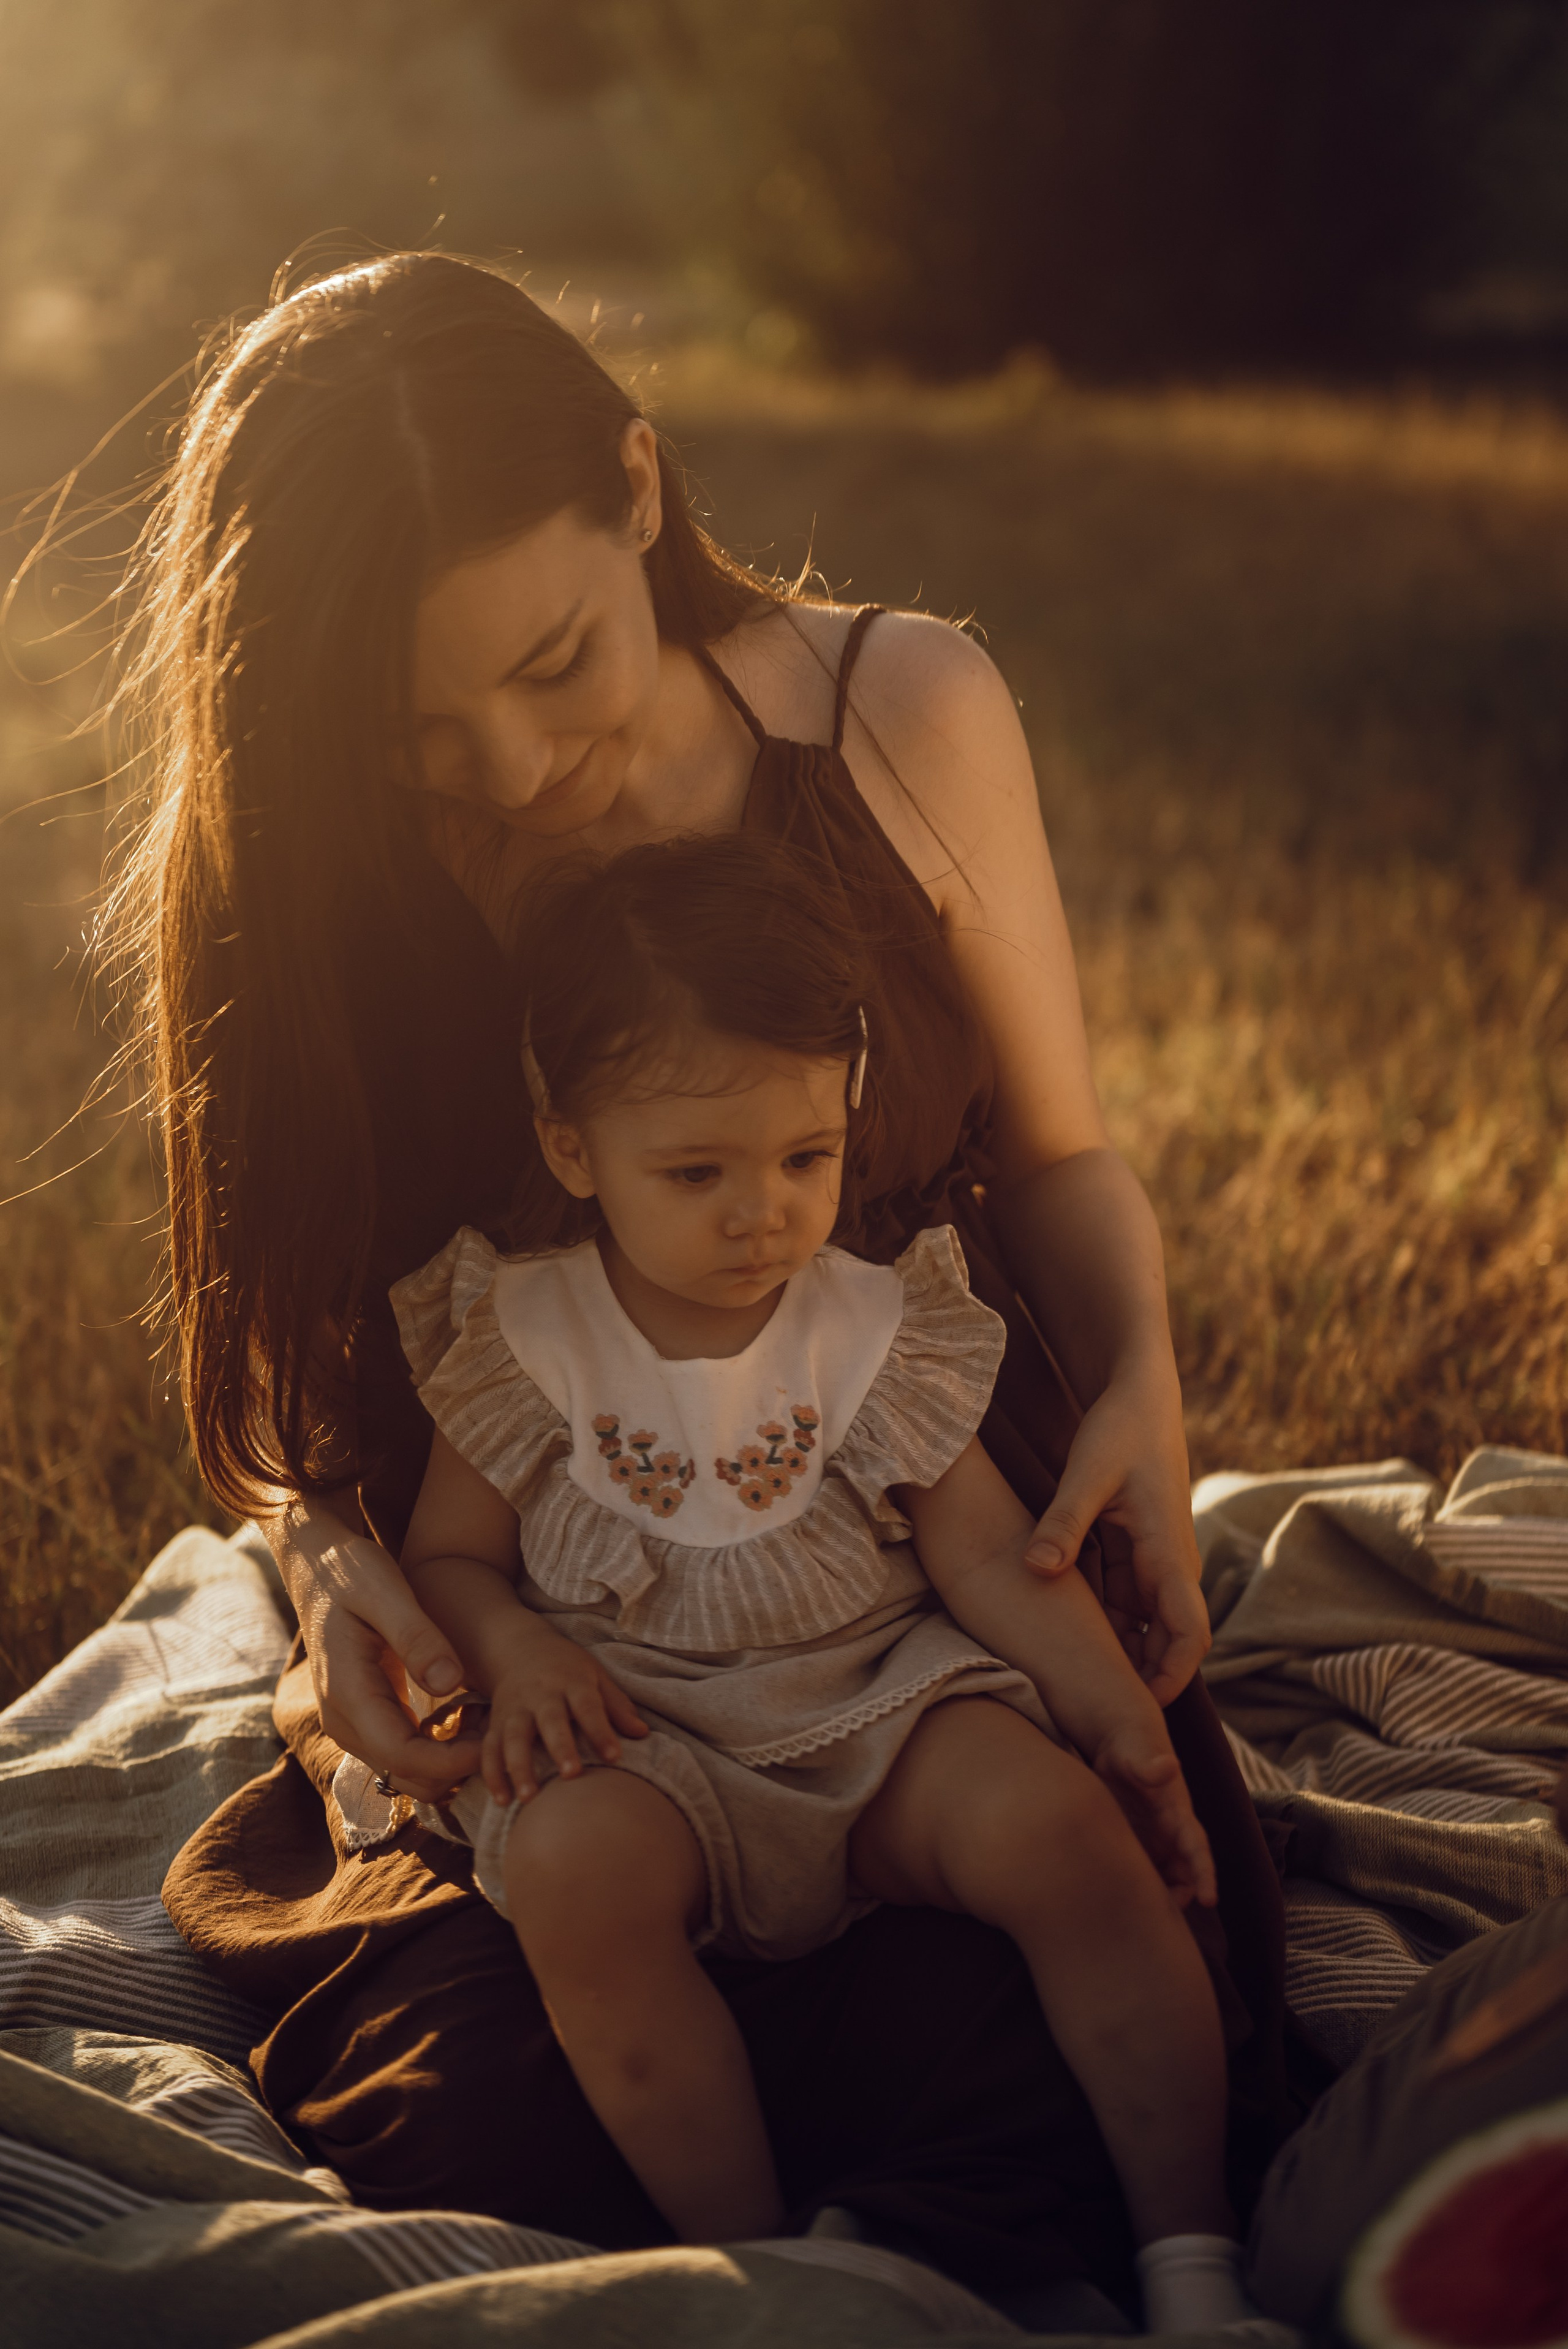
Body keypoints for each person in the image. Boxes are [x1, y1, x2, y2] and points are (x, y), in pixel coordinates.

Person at [133, 249, 1288, 2309]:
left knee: (1067, 2030)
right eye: (421, 734)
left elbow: (1065, 1153)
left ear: (641, 494)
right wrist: (336, 1570)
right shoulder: (340, 863)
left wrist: (1148, 1387)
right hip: (555, 1619)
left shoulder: (893, 711)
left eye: (557, 661)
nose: (507, 769)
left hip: (904, 1559)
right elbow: (307, 1358)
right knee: (484, 2122)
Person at [352, 829, 1259, 2332]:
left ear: (847, 1109)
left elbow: (977, 1552)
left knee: (1064, 1836)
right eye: (693, 1171)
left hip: (874, 1711)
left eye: (803, 1159)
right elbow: (450, 1553)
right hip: (639, 1743)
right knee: (577, 1880)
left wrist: (1120, 1725)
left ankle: (1194, 2257)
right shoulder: (525, 1334)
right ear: (572, 1147)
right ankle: (769, 2262)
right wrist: (512, 1650)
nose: (759, 1212)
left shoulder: (867, 1323)